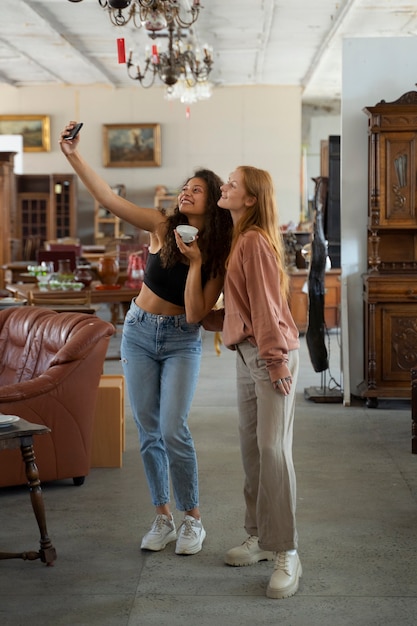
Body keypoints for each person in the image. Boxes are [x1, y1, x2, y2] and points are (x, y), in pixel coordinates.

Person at [59, 121, 233, 556]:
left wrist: (194, 264)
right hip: (137, 333)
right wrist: (73, 155)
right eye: (185, 187)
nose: (185, 193)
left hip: (181, 339)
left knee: (174, 429)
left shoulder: (214, 256)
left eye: (196, 190)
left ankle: (192, 519)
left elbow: (198, 313)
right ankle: (162, 516)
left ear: (212, 203)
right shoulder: (160, 226)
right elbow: (108, 198)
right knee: (148, 430)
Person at [217, 165, 301, 599]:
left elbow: (268, 308)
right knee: (253, 449)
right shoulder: (240, 239)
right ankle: (259, 538)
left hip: (270, 357)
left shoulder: (252, 241)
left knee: (273, 450)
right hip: (246, 353)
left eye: (233, 183)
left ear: (250, 199)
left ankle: (287, 550)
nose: (224, 186)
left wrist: (275, 361)